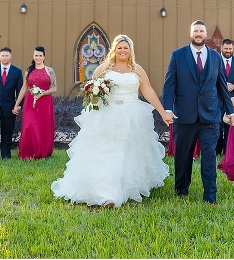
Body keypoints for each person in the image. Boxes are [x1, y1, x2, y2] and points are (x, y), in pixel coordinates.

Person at [52, 35, 172, 208]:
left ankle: (125, 188)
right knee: (108, 153)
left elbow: (148, 91)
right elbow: (92, 94)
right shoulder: (103, 69)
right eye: (119, 48)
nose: (123, 51)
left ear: (130, 50)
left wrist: (162, 112)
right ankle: (108, 195)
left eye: (126, 48)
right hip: (108, 115)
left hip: (132, 115)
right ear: (114, 50)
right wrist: (94, 97)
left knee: (126, 153)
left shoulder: (137, 69)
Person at [161, 20, 234, 205]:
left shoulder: (216, 57)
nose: (199, 34)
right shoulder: (178, 55)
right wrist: (167, 109)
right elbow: (169, 85)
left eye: (201, 31)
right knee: (183, 156)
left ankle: (210, 195)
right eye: (196, 31)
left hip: (210, 116)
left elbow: (222, 87)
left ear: (206, 33)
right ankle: (181, 190)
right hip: (184, 116)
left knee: (209, 156)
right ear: (191, 33)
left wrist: (230, 111)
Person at [13, 46, 56, 159]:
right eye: (36, 55)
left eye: (40, 55)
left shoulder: (49, 70)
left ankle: (42, 152)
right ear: (33, 56)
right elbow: (24, 88)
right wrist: (17, 104)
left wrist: (43, 93)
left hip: (45, 102)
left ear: (44, 57)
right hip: (30, 102)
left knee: (42, 127)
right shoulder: (29, 71)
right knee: (29, 125)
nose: (38, 57)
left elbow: (54, 88)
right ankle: (29, 153)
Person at [217, 39, 234, 155]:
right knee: (217, 125)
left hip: (233, 99)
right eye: (226, 49)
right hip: (217, 99)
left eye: (230, 49)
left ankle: (228, 151)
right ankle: (217, 151)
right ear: (221, 49)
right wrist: (224, 86)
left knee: (230, 126)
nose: (228, 51)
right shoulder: (215, 60)